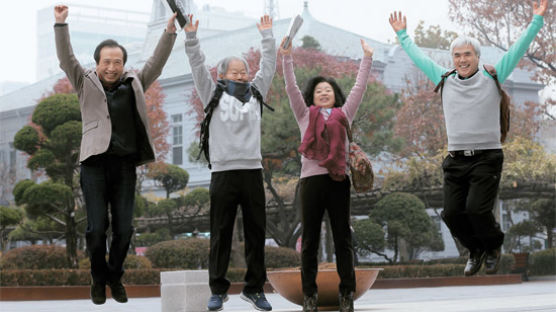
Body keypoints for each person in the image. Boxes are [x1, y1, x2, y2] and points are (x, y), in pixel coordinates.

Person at [388, 0, 547, 276]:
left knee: (476, 210)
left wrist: (535, 21)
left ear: (477, 56)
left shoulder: (492, 76)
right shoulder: (445, 79)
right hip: (456, 159)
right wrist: (403, 35)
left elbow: (518, 48)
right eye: (457, 55)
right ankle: (475, 250)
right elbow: (419, 58)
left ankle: (494, 245)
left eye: (467, 54)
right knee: (450, 214)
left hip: (487, 157)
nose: (462, 60)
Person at [54, 5, 178, 305]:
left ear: (124, 63)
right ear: (97, 63)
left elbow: (156, 64)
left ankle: (114, 275)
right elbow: (65, 58)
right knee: (97, 229)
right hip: (94, 166)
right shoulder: (84, 82)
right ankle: (98, 279)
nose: (112, 67)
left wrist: (168, 34)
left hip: (124, 166)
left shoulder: (134, 83)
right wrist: (60, 25)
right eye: (107, 62)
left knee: (124, 229)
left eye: (118, 62)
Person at [183, 14, 276, 311]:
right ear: (222, 75)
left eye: (243, 71)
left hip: (251, 171)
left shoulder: (256, 92)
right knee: (221, 233)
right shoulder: (212, 93)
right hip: (223, 172)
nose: (240, 75)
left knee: (255, 232)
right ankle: (218, 289)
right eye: (234, 72)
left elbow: (269, 66)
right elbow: (198, 66)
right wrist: (192, 38)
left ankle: (254, 289)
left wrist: (267, 36)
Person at [280, 37, 374, 312]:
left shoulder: (345, 115)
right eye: (319, 90)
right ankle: (309, 295)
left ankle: (347, 295)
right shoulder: (304, 115)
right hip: (310, 183)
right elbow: (291, 88)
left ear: (335, 96)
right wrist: (286, 57)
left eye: (328, 90)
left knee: (343, 238)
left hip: (338, 181)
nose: (323, 93)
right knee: (309, 241)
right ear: (313, 96)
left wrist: (366, 58)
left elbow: (359, 87)